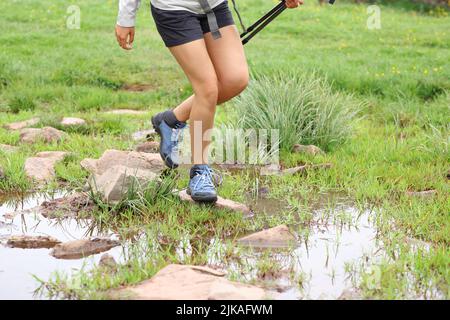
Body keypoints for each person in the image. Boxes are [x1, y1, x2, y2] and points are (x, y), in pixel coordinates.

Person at [116, 0, 303, 203]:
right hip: (174, 10)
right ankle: (199, 172)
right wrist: (126, 17)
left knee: (235, 80)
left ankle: (170, 120)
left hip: (214, 6)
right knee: (207, 87)